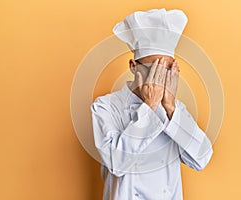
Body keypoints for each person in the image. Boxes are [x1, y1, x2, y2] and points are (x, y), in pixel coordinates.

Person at [90, 8, 213, 200]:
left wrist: (171, 109)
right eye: (153, 70)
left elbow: (202, 158)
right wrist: (149, 107)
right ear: (133, 66)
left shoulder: (175, 111)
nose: (159, 79)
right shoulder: (105, 107)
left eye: (165, 70)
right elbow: (116, 163)